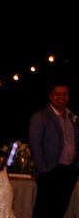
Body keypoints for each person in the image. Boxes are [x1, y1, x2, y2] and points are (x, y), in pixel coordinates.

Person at [29, 82, 79, 218]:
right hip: (50, 171)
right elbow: (35, 144)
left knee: (59, 211)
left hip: (69, 171)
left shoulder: (73, 117)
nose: (61, 97)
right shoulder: (40, 116)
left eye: (64, 94)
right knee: (43, 212)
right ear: (50, 96)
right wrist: (44, 170)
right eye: (57, 94)